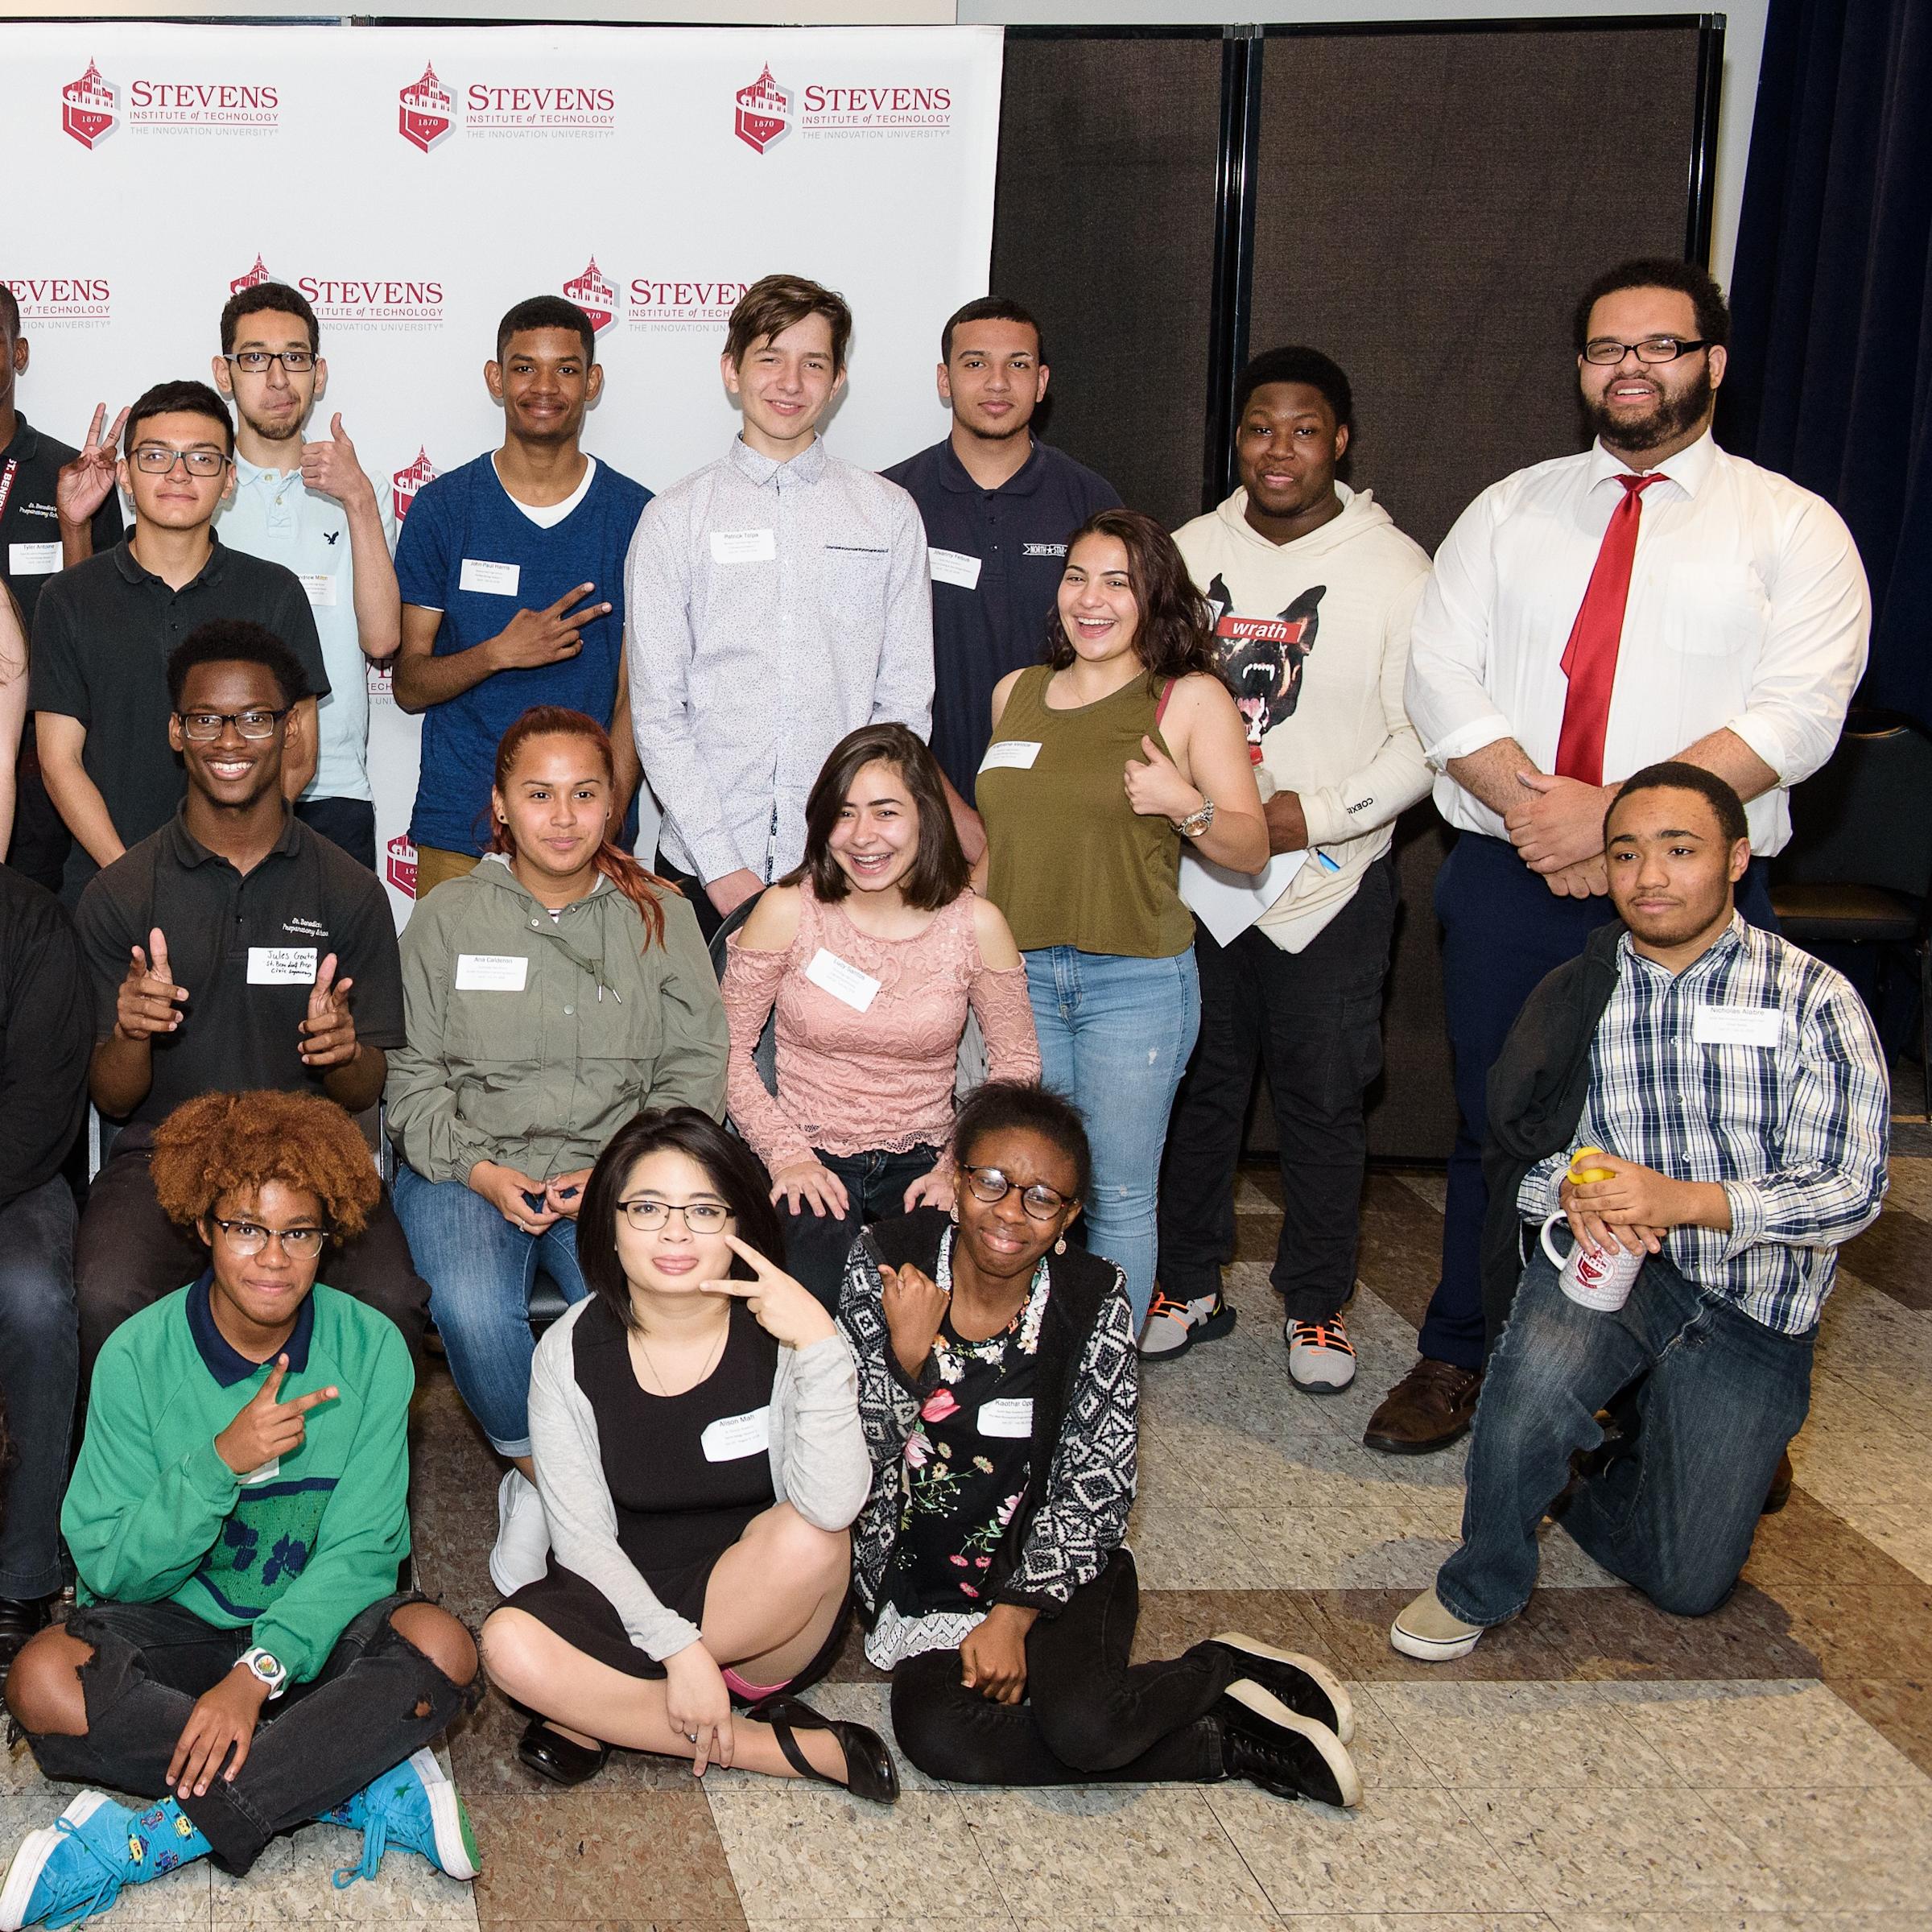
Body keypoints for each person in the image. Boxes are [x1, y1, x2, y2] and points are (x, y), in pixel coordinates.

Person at [1383, 256, 1869, 1455]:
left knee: (1702, 1136)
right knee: (1505, 1122)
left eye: (1660, 346)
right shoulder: (1509, 509)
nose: (1632, 369)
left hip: (1696, 895)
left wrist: (1621, 828)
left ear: (1713, 360)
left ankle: (1689, 1391)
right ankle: (1467, 1352)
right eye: (1608, 349)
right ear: (1582, 369)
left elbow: (1797, 713)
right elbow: (1437, 674)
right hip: (1512, 874)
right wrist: (1541, 811)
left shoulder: (1791, 526)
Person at [1390, 766, 1888, 1658]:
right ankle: (1482, 1579)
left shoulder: (1817, 999)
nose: (1649, 876)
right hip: (1618, 1269)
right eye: (1626, 853)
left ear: (1738, 859)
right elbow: (1522, 1157)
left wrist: (1689, 1202)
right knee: (1530, 1383)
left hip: (1753, 1304)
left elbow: (1853, 1188)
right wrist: (1569, 1190)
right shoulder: (1580, 993)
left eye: (1680, 850)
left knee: (1689, 1582)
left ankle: (1594, 1479)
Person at [0, 1089, 483, 1929]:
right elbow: (111, 1569)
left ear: (326, 1237)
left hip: (312, 1633)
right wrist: (219, 1464)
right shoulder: (137, 1356)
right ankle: (332, 1777)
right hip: (177, 1629)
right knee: (40, 1680)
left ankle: (151, 1838)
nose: (273, 1258)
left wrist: (258, 1674)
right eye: (246, 1228)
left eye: (299, 1231)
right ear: (203, 1229)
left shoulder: (370, 1349)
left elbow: (365, 1555)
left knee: (444, 1645)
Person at [838, 1079, 1360, 1804]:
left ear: (1069, 1216)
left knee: (1086, 1728)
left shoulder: (1091, 1295)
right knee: (939, 1737)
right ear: (954, 1178)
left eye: (1042, 1197)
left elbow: (1101, 1478)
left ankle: (1221, 1667)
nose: (1011, 1212)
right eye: (991, 1181)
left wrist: (1015, 1615)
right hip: (923, 1588)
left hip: (1051, 1570)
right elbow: (843, 1463)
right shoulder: (886, 1263)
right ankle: (1225, 1740)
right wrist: (906, 1365)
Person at [386, 705, 728, 1586]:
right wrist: (482, 1171)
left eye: (586, 793)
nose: (565, 816)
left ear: (616, 803)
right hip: (467, 1167)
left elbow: (693, 1073)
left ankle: (612, 1488)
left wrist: (619, 1172)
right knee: (466, 1303)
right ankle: (541, 1477)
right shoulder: (447, 918)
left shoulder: (661, 914)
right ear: (500, 805)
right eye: (539, 795)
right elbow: (412, 1080)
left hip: (617, 1172)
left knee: (638, 1310)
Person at [1150, 347, 1432, 1378]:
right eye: (1260, 426)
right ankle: (1187, 1279)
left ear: (1341, 441)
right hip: (1200, 881)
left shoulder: (1398, 568)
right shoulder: (1183, 551)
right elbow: (1146, 704)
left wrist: (1306, 816)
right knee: (1199, 1088)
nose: (1280, 448)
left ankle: (1317, 1302)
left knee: (1323, 1099)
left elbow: (1423, 739)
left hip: (1329, 883)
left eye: (1304, 428)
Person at [478, 1108, 895, 1800]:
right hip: (621, 1594)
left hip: (763, 1612)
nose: (675, 1232)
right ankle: (780, 1747)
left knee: (813, 1536)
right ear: (608, 1226)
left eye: (704, 1210)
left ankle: (597, 1711)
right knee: (507, 1646)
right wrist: (678, 1651)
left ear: (739, 1225)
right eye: (647, 1208)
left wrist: (823, 1349)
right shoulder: (568, 1351)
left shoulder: (788, 1330)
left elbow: (834, 1505)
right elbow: (582, 1541)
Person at [71, 621, 427, 1375]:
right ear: (177, 730)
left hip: (313, 1155)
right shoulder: (121, 894)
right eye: (206, 718)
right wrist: (133, 1032)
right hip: (162, 1155)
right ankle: (150, 1482)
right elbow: (112, 1097)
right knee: (105, 1292)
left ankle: (343, 1482)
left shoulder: (351, 892)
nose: (229, 739)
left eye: (255, 718)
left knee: (391, 1297)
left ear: (290, 728)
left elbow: (369, 1086)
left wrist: (344, 1053)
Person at [976, 509, 1266, 1333]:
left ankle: (1100, 1386)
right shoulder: (1017, 692)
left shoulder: (1189, 698)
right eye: (1076, 577)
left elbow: (1247, 847)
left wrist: (1187, 805)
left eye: (1117, 582)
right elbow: (999, 847)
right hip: (1018, 978)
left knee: (1121, 1195)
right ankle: (1026, 1357)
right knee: (1022, 1185)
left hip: (1132, 983)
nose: (1091, 599)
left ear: (1153, 599)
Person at [626, 273, 933, 940]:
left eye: (812, 363)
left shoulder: (887, 515)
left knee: (838, 1047)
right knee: (705, 1049)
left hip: (848, 867)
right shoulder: (674, 518)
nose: (790, 382)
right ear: (731, 372)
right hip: (699, 870)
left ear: (838, 379)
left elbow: (905, 701)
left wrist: (862, 839)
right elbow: (657, 710)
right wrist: (720, 864)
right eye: (769, 358)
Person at [720, 722, 1039, 1309]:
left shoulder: (976, 925)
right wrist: (786, 1156)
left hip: (928, 1159)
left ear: (925, 816)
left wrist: (958, 1165)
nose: (863, 837)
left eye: (886, 812)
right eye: (845, 813)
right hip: (806, 1151)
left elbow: (1016, 1064)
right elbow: (726, 1052)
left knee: (931, 1305)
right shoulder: (789, 911)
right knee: (809, 1304)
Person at [29, 378, 328, 905]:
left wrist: (234, 861)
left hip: (246, 892)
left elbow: (297, 749)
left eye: (202, 459)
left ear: (229, 479)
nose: (178, 474)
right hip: (107, 891)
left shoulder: (274, 592)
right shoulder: (67, 597)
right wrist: (130, 876)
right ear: (123, 474)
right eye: (155, 456)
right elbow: (59, 761)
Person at [392, 296, 650, 895]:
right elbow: (408, 684)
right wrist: (498, 653)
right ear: (495, 378)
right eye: (524, 366)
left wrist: (603, 815)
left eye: (566, 368)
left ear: (592, 382)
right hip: (462, 827)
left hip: (587, 835)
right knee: (452, 990)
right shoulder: (443, 509)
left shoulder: (638, 516)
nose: (545, 386)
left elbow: (638, 694)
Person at [882, 297, 1120, 857]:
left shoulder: (1092, 502)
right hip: (919, 810)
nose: (996, 383)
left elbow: (1126, 668)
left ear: (1041, 383)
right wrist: (942, 808)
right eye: (974, 364)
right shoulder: (889, 503)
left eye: (1017, 365)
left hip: (1062, 811)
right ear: (944, 380)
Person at [212, 280, 401, 870]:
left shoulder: (357, 491)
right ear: (225, 374)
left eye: (294, 358)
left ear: (318, 375)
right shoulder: (192, 489)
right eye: (255, 358)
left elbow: (383, 640)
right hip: (216, 777)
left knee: (333, 965)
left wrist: (360, 501)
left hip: (335, 786)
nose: (276, 379)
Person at [0, 286, 124, 893]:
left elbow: (105, 627)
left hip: (39, 770)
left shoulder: (72, 474)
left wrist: (74, 526)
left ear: (18, 351)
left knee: (36, 950)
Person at [0, 861, 91, 1666]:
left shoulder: (31, 921)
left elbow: (39, 1112)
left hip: (14, 1178)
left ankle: (22, 1575)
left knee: (32, 1297)